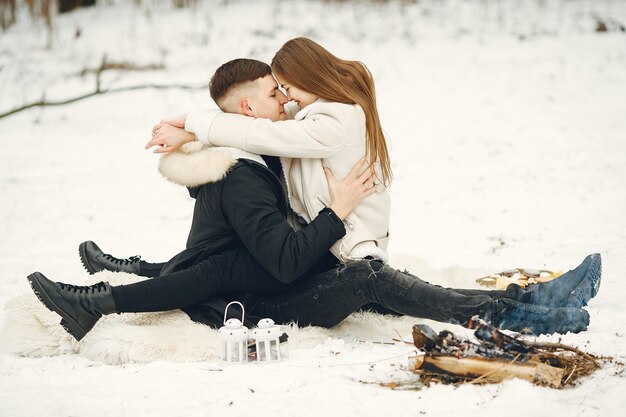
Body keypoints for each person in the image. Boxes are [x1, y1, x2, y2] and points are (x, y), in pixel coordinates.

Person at [27, 56, 600, 343]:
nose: (288, 100)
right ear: (249, 110)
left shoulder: (254, 146)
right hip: (261, 301)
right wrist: (339, 210)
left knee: (379, 278)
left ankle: (532, 298)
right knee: (369, 279)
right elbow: (276, 261)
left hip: (255, 278)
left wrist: (190, 129)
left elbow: (254, 127)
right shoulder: (241, 175)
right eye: (276, 93)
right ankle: (518, 313)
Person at [147, 37, 392, 263]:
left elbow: (261, 132)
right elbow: (250, 121)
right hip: (338, 236)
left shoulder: (334, 124)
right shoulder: (328, 110)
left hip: (355, 246)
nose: (287, 97)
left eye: (286, 87)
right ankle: (158, 269)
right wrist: (192, 129)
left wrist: (191, 125)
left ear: (306, 78)